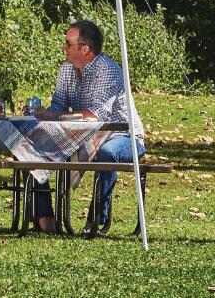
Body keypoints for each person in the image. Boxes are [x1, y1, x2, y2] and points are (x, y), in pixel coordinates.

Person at [32, 19, 145, 233]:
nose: (63, 48)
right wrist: (45, 114)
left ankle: (97, 220)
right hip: (81, 135)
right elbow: (58, 105)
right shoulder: (66, 70)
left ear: (85, 49)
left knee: (107, 152)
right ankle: (44, 216)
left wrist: (56, 115)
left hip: (123, 136)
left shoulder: (108, 70)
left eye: (68, 44)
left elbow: (95, 116)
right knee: (35, 145)